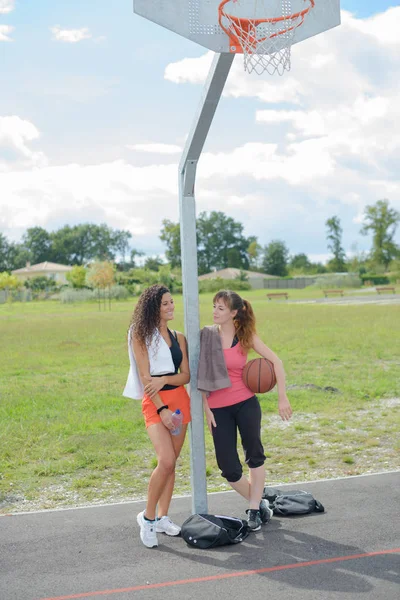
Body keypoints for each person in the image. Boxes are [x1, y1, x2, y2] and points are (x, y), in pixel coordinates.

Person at [197, 289, 292, 532]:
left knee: (254, 456)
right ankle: (260, 502)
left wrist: (282, 397)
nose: (215, 312)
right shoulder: (206, 336)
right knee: (228, 467)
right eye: (214, 306)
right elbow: (200, 374)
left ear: (234, 312)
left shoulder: (245, 336)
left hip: (246, 403)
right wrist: (206, 408)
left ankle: (252, 510)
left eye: (221, 308)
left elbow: (276, 362)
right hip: (218, 409)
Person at [123, 284, 191, 548]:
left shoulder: (179, 336)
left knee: (172, 463)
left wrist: (164, 380)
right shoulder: (139, 334)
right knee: (165, 461)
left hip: (179, 401)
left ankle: (163, 517)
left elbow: (185, 375)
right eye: (165, 303)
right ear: (153, 307)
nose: (171, 306)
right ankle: (148, 519)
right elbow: (145, 378)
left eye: (172, 302)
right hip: (155, 404)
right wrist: (161, 408)